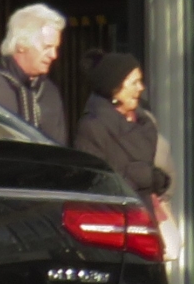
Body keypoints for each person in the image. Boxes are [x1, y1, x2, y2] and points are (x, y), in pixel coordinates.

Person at [71, 50, 172, 221]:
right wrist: (146, 177)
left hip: (144, 216)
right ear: (115, 87)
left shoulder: (145, 124)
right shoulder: (93, 127)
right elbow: (94, 181)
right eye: (134, 82)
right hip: (114, 219)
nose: (140, 88)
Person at [0, 3, 69, 144]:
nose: (54, 55)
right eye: (47, 47)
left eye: (55, 47)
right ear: (21, 45)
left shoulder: (50, 92)